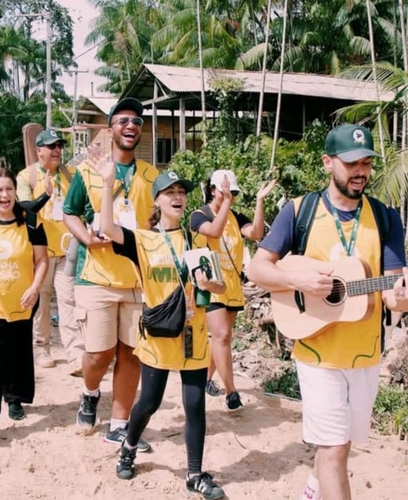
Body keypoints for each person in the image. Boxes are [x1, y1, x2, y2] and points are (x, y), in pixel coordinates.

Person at [247, 123, 408, 500]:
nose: (361, 171)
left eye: (367, 162)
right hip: (317, 353)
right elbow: (256, 269)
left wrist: (400, 299)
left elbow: (392, 291)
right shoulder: (298, 212)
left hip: (366, 354)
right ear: (327, 162)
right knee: (334, 450)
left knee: (341, 446)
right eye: (352, 163)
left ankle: (314, 487)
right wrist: (299, 282)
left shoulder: (386, 218)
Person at [98, 164, 226, 499]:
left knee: (195, 404)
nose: (178, 197)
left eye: (182, 192)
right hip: (158, 336)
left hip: (193, 335)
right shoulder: (142, 240)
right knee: (149, 402)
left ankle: (195, 473)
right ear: (157, 201)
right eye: (170, 192)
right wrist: (109, 183)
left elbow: (220, 285)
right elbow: (107, 227)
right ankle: (128, 445)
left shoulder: (195, 240)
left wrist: (211, 283)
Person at [62, 97, 157, 447]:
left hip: (136, 279)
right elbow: (69, 211)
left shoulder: (152, 176)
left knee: (132, 353)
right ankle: (89, 392)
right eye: (123, 121)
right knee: (100, 354)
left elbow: (159, 223)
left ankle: (118, 425)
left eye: (137, 121)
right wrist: (86, 237)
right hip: (97, 278)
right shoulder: (87, 172)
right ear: (110, 129)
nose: (131, 126)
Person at [189, 169, 276, 411]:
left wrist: (259, 201)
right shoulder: (199, 216)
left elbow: (257, 233)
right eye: (227, 191)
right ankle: (231, 393)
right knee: (222, 335)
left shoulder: (235, 217)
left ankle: (205, 380)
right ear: (213, 190)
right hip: (208, 285)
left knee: (222, 339)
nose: (231, 196)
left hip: (232, 285)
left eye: (234, 192)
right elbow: (214, 231)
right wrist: (226, 204)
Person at [16, 128, 85, 375]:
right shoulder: (27, 176)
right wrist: (46, 194)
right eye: (52, 146)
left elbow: (85, 204)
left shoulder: (73, 174)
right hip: (40, 251)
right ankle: (41, 348)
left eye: (60, 146)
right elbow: (26, 208)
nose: (57, 151)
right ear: (39, 150)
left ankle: (76, 355)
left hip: (67, 249)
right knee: (41, 302)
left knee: (68, 300)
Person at [0, 167, 48, 437]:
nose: (4, 195)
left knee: (18, 351)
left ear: (15, 192)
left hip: (23, 299)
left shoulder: (31, 221)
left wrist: (35, 287)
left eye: (9, 189)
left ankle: (14, 399)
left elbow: (42, 261)